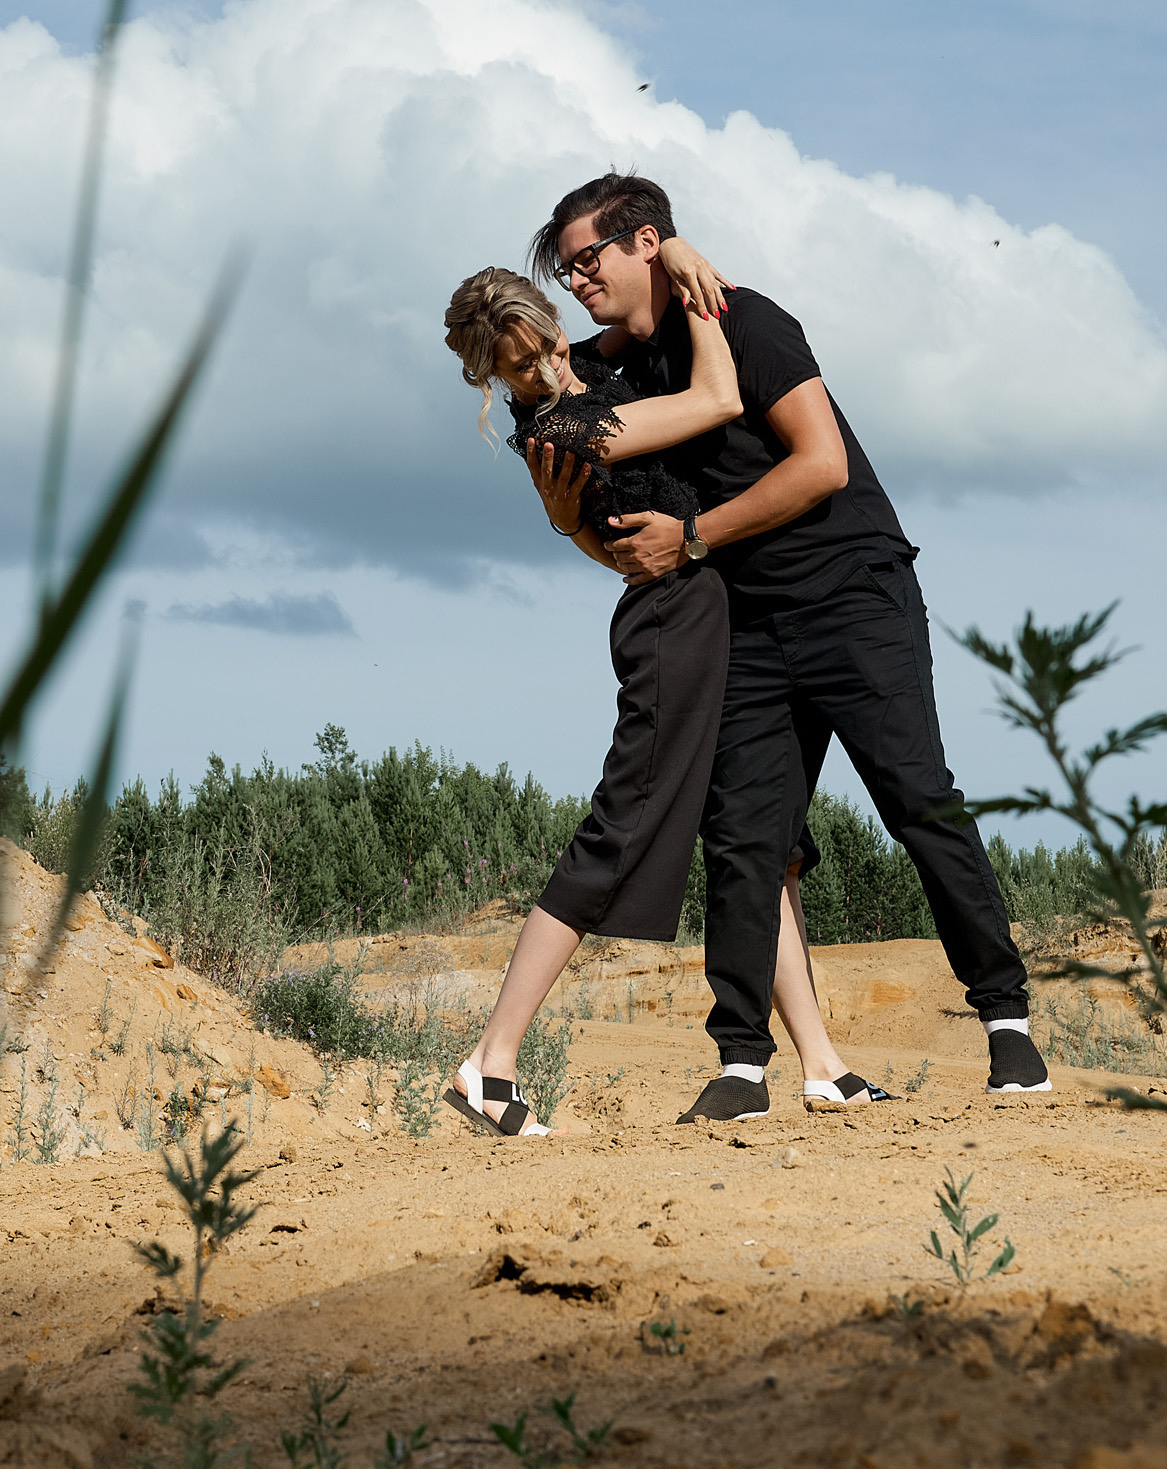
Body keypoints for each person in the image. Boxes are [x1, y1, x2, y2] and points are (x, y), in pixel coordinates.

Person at [521, 174, 1053, 1121]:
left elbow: (822, 464)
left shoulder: (747, 319)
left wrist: (691, 539)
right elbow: (542, 373)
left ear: (646, 242)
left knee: (917, 799)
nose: (576, 280)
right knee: (744, 838)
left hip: (853, 591)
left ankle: (1008, 1028)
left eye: (587, 258)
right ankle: (741, 1065)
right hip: (746, 620)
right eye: (565, 269)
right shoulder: (610, 372)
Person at [437, 267, 894, 1136]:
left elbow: (591, 529)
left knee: (762, 836)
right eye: (520, 368)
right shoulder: (574, 423)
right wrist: (686, 261)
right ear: (492, 379)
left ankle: (823, 1064)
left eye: (546, 342)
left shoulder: (588, 382)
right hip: (672, 624)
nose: (546, 367)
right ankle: (489, 1065)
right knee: (625, 821)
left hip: (709, 613)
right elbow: (720, 396)